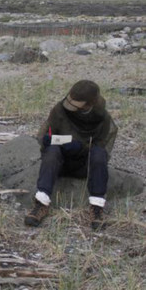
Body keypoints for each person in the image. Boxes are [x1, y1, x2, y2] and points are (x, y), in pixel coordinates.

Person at [24, 80, 117, 230]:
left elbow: (102, 145)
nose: (71, 107)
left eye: (77, 105)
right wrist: (50, 141)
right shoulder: (59, 110)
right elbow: (46, 136)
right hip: (60, 163)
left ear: (90, 103)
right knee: (52, 151)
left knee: (99, 155)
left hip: (85, 166)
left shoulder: (103, 118)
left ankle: (97, 208)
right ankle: (41, 203)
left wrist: (81, 147)